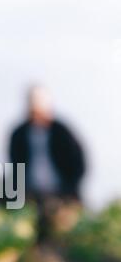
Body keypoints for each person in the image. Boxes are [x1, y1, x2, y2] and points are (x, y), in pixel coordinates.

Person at [9, 85, 86, 235]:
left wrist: (68, 189)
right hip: (31, 194)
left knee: (60, 221)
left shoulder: (62, 132)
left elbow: (79, 164)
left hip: (61, 194)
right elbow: (15, 167)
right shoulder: (19, 135)